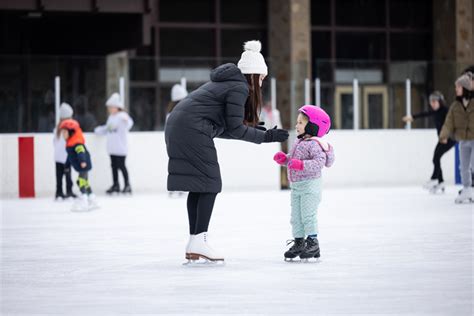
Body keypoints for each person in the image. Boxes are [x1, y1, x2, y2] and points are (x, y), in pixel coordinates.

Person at [165, 40, 289, 263]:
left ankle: (195, 241)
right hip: (190, 129)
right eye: (261, 77)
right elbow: (235, 129)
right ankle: (199, 240)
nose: (262, 83)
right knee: (210, 183)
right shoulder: (240, 87)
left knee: (199, 185)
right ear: (253, 75)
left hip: (179, 127)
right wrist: (266, 137)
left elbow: (225, 128)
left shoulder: (229, 84)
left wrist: (251, 129)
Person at [273, 105, 335, 261]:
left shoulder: (314, 144)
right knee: (296, 217)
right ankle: (300, 242)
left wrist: (300, 165)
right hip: (297, 187)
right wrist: (285, 159)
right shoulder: (300, 141)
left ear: (313, 126)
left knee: (308, 215)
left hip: (310, 186)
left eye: (300, 122)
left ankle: (313, 243)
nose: (296, 125)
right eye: (297, 122)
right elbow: (295, 159)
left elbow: (318, 163)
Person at [402, 91, 455, 193]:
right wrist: (412, 117)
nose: (432, 104)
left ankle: (434, 178)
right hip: (443, 138)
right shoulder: (435, 111)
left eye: (434, 101)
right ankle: (440, 181)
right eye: (431, 102)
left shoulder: (446, 111)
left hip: (450, 138)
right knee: (436, 158)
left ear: (440, 101)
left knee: (436, 157)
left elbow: (451, 124)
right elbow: (424, 114)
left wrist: (446, 136)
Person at [439, 72, 474, 204]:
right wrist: (443, 135)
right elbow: (449, 122)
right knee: (463, 167)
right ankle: (466, 189)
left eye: (458, 87)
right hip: (463, 140)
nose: (456, 89)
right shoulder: (455, 106)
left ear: (464, 88)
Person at [94, 93, 134, 194]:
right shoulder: (111, 117)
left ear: (117, 107)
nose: (110, 109)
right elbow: (107, 129)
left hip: (120, 148)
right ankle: (116, 184)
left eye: (111, 107)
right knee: (114, 167)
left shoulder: (122, 116)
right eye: (109, 107)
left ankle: (127, 185)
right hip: (112, 148)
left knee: (121, 166)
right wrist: (97, 130)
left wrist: (126, 121)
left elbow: (129, 123)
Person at [59, 118, 98, 211]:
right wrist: (67, 165)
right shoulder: (70, 143)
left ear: (71, 132)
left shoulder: (77, 143)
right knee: (85, 182)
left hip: (83, 165)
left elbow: (81, 152)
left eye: (65, 132)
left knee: (81, 182)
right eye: (62, 132)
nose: (62, 134)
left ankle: (84, 200)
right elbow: (70, 156)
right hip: (82, 165)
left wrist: (82, 161)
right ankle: (92, 199)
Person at [53, 102, 76, 199]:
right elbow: (70, 142)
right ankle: (69, 191)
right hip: (65, 157)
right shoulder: (68, 128)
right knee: (67, 174)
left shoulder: (57, 128)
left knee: (59, 176)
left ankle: (59, 192)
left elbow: (54, 142)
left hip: (58, 157)